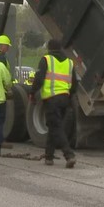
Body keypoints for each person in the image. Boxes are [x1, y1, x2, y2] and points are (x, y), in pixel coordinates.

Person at [29, 39, 77, 168]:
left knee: (56, 127)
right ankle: (49, 156)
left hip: (52, 99)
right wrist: (70, 96)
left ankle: (69, 155)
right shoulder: (69, 62)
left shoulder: (47, 60)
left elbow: (39, 79)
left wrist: (32, 93)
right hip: (65, 98)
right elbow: (74, 84)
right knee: (53, 126)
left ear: (49, 48)